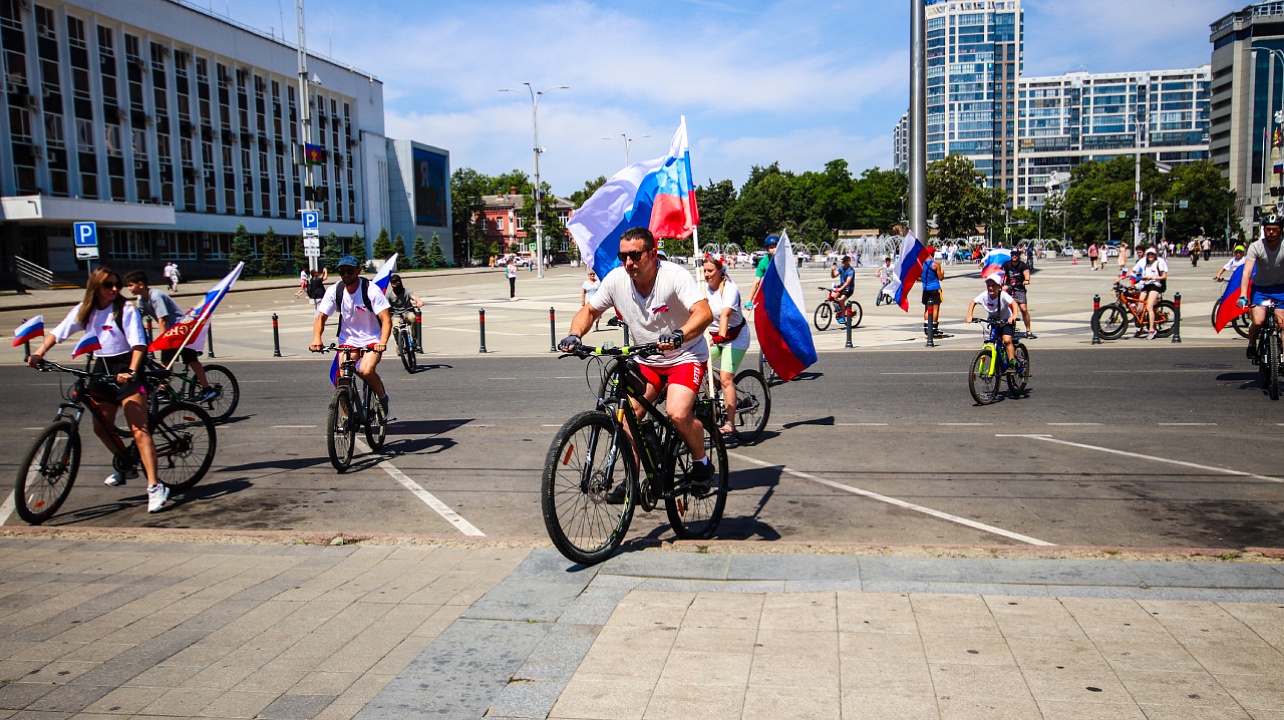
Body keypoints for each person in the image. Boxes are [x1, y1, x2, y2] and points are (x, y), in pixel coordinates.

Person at [558, 228, 714, 492]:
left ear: (653, 254)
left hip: (684, 356)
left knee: (677, 413)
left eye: (635, 255)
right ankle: (632, 481)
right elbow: (590, 310)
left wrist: (680, 334)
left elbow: (704, 313)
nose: (628, 262)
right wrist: (574, 334)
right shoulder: (617, 279)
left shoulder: (674, 276)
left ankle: (701, 461)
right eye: (623, 256)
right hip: (648, 359)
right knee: (628, 414)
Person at [26, 267, 168, 512]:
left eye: (116, 284)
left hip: (127, 367)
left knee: (139, 430)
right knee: (101, 427)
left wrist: (132, 372)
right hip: (101, 369)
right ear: (96, 287)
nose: (114, 289)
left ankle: (155, 487)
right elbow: (59, 332)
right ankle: (125, 462)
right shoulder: (86, 310)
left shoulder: (126, 310)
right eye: (108, 285)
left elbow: (138, 344)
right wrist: (39, 352)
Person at [311, 255, 392, 416]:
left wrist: (382, 341)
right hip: (348, 340)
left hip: (372, 339)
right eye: (342, 272)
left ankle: (382, 398)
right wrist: (317, 338)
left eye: (349, 271)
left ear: (358, 271)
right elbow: (321, 318)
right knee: (343, 379)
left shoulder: (370, 290)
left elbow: (386, 320)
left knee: (366, 370)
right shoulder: (336, 290)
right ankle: (347, 416)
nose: (346, 275)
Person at [124, 271, 217, 402]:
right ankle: (165, 389)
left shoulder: (155, 296)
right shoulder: (141, 299)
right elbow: (138, 320)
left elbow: (162, 320)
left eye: (130, 285)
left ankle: (207, 389)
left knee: (191, 360)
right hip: (171, 332)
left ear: (140, 284)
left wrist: (162, 341)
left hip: (182, 330)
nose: (128, 288)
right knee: (166, 362)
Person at [702, 256, 750, 436]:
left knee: (725, 378)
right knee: (696, 360)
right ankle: (717, 391)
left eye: (710, 271)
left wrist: (721, 336)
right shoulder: (703, 287)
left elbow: (725, 316)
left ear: (720, 271)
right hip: (714, 337)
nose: (706, 275)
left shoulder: (730, 289)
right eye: (705, 271)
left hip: (734, 337)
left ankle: (730, 423)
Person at [1239, 217, 1284, 361]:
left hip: (1281, 289)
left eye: (1274, 229)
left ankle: (1282, 356)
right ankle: (1252, 344)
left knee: (1282, 325)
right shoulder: (1256, 246)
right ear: (1264, 230)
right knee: (1258, 321)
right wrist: (1242, 295)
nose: (1271, 232)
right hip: (1260, 289)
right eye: (1268, 229)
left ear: (1281, 230)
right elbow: (1246, 272)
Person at [966, 270, 1020, 374]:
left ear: (999, 286)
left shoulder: (1003, 295)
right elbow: (973, 302)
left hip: (1006, 321)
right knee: (993, 340)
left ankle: (1012, 362)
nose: (990, 288)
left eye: (994, 285)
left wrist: (1014, 315)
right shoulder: (984, 295)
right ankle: (998, 360)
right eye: (988, 285)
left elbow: (1013, 303)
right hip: (993, 321)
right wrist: (970, 315)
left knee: (1007, 339)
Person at [1131, 246, 1168, 339]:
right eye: (1149, 254)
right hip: (1146, 284)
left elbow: (1164, 276)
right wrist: (1142, 278)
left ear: (1155, 255)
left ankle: (1152, 329)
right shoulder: (1146, 264)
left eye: (1152, 254)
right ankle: (1141, 326)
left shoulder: (1159, 263)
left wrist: (1154, 278)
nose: (1150, 256)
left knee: (1149, 307)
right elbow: (1138, 273)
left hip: (1156, 285)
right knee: (1140, 306)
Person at [385, 273, 424, 353]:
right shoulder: (389, 295)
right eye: (393, 283)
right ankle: (399, 344)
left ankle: (414, 340)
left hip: (407, 311)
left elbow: (414, 297)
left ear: (400, 282)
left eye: (397, 282)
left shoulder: (406, 291)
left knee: (412, 318)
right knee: (395, 329)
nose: (395, 284)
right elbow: (384, 304)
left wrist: (419, 301)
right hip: (396, 315)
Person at [1001, 251, 1035, 338]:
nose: (1014, 256)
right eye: (1013, 255)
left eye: (1016, 255)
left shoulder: (1022, 265)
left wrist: (1026, 280)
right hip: (1009, 288)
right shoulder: (1007, 264)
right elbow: (1001, 273)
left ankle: (1028, 330)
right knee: (1009, 310)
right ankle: (1010, 329)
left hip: (1019, 288)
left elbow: (1026, 273)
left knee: (1023, 309)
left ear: (1019, 256)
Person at [746, 234, 779, 311]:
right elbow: (756, 282)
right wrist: (749, 300)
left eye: (776, 246)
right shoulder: (763, 262)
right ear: (767, 249)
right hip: (770, 294)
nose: (775, 249)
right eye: (771, 247)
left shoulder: (786, 260)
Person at [921, 251, 945, 336]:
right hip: (935, 289)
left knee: (927, 309)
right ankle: (934, 329)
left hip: (925, 289)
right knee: (935, 308)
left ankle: (927, 327)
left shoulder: (921, 266)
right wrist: (942, 272)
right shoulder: (935, 265)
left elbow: (918, 278)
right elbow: (941, 278)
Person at [830, 255, 855, 322]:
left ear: (848, 262)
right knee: (831, 297)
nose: (842, 262)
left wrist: (841, 289)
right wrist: (832, 270)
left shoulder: (851, 271)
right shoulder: (841, 268)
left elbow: (848, 282)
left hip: (849, 289)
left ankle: (843, 317)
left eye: (844, 261)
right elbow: (834, 276)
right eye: (842, 261)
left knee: (841, 300)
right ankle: (840, 308)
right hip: (841, 287)